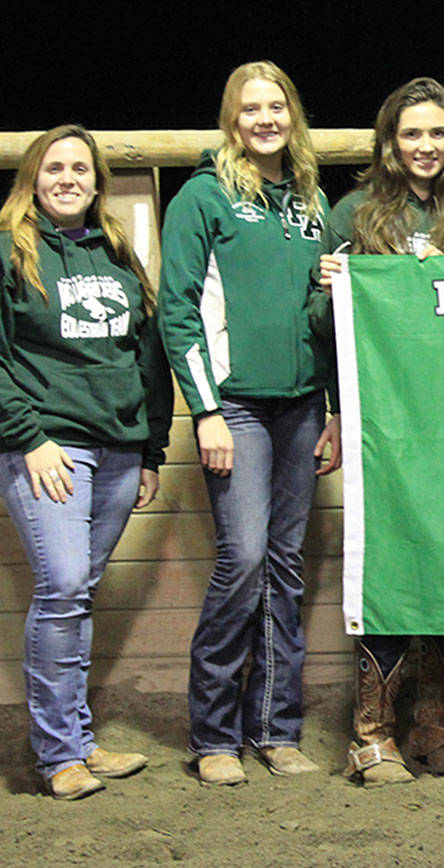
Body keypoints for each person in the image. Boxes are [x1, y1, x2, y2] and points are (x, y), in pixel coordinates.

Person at [160, 60, 340, 786]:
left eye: (277, 107)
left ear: (292, 115)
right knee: (242, 561)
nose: (265, 119)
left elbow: (319, 319)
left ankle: (276, 727)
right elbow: (178, 311)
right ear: (231, 120)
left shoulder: (311, 201)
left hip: (300, 407)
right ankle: (213, 734)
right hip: (233, 405)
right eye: (251, 109)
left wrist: (327, 406)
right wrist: (205, 411)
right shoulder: (202, 198)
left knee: (285, 568)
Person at [317, 76, 444, 786]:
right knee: (386, 563)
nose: (425, 146)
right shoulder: (353, 214)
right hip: (382, 424)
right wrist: (329, 291)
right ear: (388, 141)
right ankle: (372, 730)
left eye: (438, 133)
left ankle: (434, 718)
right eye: (411, 133)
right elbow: (320, 332)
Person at [0, 126, 172, 799]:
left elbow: (146, 357)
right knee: (64, 584)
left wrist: (151, 448)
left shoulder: (117, 254)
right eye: (54, 168)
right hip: (49, 446)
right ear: (32, 179)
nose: (67, 178)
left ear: (97, 182)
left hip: (119, 449)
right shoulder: (11, 249)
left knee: (75, 595)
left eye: (79, 168)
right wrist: (29, 436)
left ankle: (77, 739)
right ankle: (59, 755)